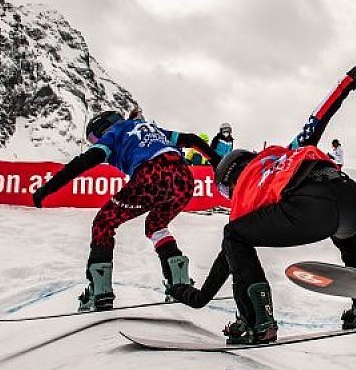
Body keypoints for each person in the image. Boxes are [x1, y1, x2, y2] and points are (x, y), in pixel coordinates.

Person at [168, 58, 356, 344]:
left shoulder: (245, 188)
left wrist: (196, 297)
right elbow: (318, 119)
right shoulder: (284, 156)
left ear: (230, 177)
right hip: (351, 199)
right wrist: (349, 81)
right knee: (346, 236)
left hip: (312, 209)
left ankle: (257, 321)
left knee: (234, 235)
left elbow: (228, 258)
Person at [32, 109, 220, 312]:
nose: (95, 143)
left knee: (104, 222)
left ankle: (100, 293)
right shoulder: (152, 129)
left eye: (94, 138)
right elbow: (192, 140)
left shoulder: (115, 133)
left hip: (151, 174)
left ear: (103, 128)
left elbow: (83, 162)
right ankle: (178, 282)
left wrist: (47, 189)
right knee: (155, 225)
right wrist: (217, 161)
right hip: (184, 178)